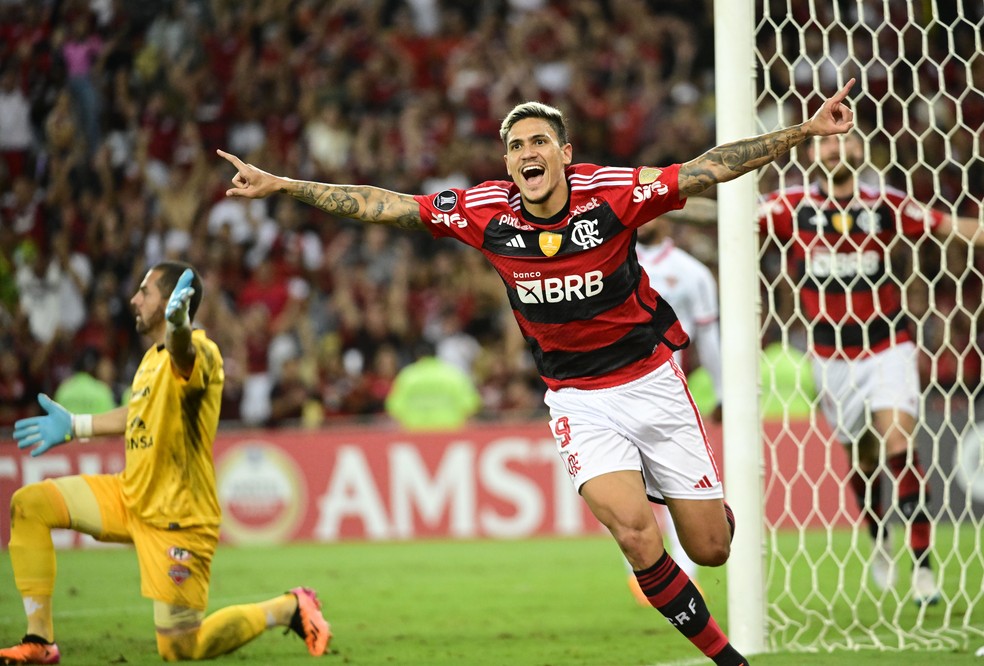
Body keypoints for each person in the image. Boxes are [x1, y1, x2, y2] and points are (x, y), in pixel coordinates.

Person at [218, 79, 858, 666]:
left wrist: (803, 133)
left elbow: (706, 168)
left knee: (712, 547)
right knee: (636, 537)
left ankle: (689, 500)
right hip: (577, 397)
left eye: (539, 141)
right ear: (507, 163)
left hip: (651, 379)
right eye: (515, 145)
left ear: (564, 152)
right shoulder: (487, 212)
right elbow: (387, 206)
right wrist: (284, 185)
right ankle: (729, 660)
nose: (527, 152)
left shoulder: (612, 193)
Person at [4, 261, 331, 663]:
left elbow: (184, 354)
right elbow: (138, 413)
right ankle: (39, 642)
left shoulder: (202, 354)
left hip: (178, 518)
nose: (134, 299)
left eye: (145, 291)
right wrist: (76, 424)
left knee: (180, 648)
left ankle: (289, 607)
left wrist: (179, 328)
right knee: (30, 504)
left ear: (173, 302)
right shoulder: (151, 360)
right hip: (129, 495)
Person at [757, 131, 984, 606]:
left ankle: (923, 569)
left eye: (847, 143)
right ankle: (879, 537)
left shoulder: (886, 205)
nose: (837, 150)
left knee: (899, 444)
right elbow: (727, 219)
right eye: (827, 144)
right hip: (829, 354)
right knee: (862, 461)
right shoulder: (788, 206)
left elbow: (950, 227)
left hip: (887, 344)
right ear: (811, 154)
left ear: (862, 152)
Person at [624, 200, 722, 603]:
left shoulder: (692, 274)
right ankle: (645, 572)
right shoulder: (612, 260)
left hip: (667, 392)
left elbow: (709, 340)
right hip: (612, 389)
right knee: (627, 486)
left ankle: (687, 572)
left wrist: (722, 390)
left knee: (677, 485)